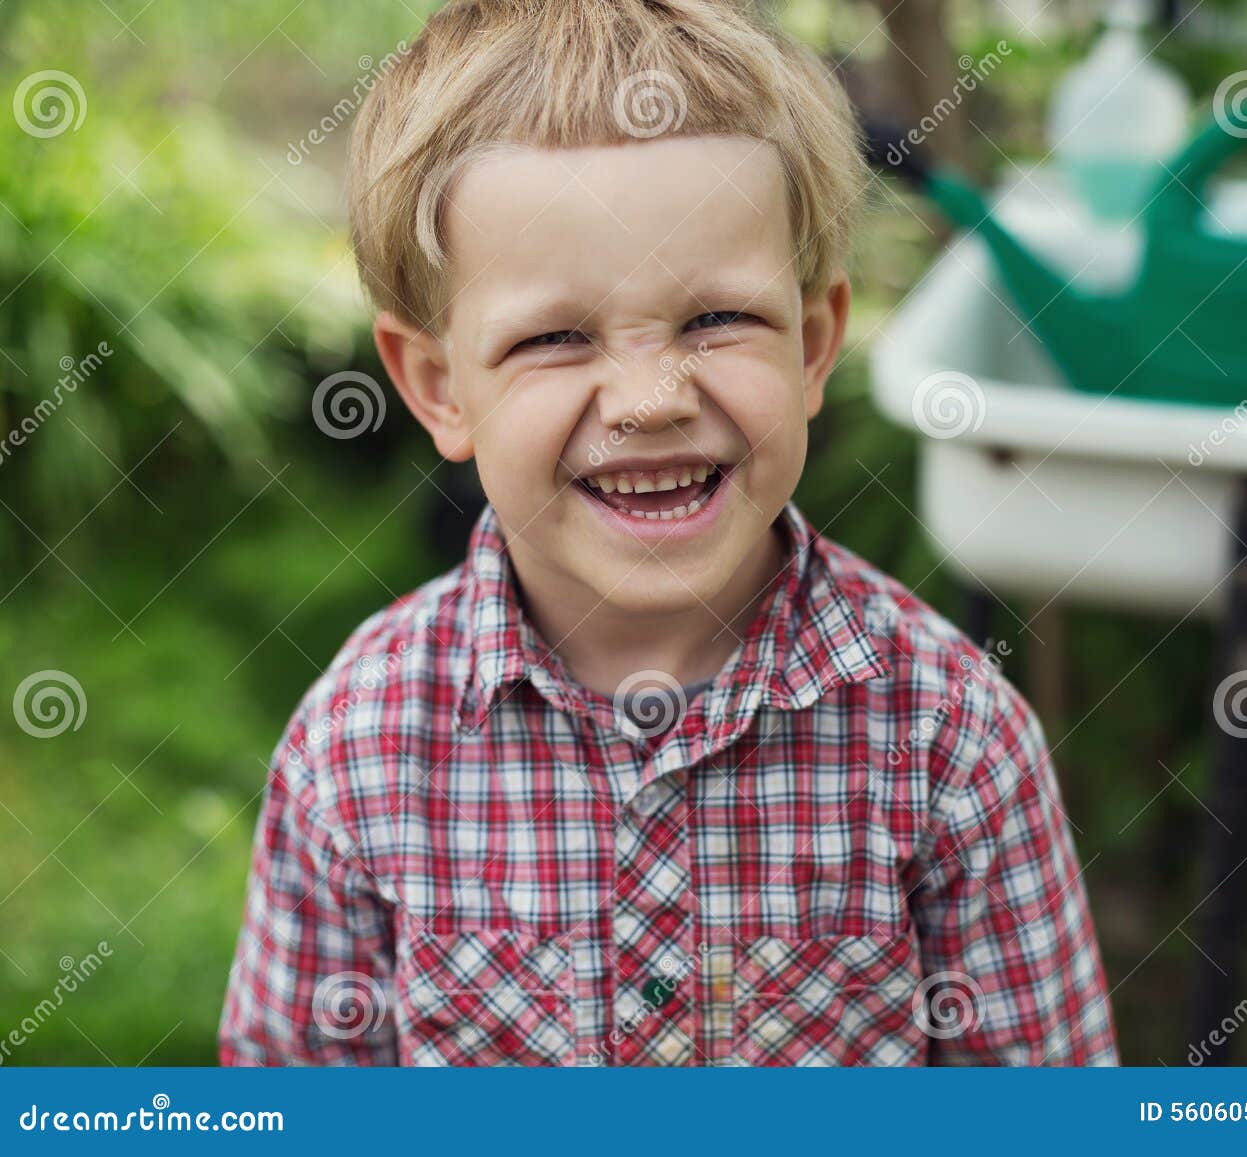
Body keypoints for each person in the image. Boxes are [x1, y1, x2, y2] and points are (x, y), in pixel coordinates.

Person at [219, 0, 1115, 1067]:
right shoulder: (357, 749)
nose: (649, 398)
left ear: (814, 342)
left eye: (715, 320)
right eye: (555, 337)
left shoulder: (952, 742)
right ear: (437, 384)